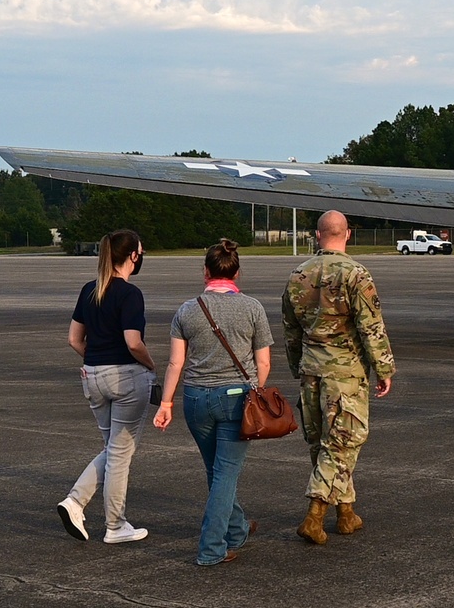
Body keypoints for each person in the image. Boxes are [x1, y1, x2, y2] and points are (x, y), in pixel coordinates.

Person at [154, 239, 273, 566]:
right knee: (224, 473)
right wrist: (256, 393)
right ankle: (211, 548)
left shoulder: (187, 310)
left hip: (196, 400)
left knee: (217, 471)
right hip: (236, 399)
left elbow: (175, 363)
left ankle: (236, 529)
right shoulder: (252, 308)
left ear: (206, 272)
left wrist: (166, 403)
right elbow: (264, 363)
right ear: (237, 272)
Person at [283, 210, 396, 545]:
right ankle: (315, 513)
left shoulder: (298, 274)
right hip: (345, 373)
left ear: (318, 236)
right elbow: (371, 327)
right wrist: (384, 368)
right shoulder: (356, 275)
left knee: (324, 444)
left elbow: (291, 331)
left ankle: (346, 513)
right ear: (347, 234)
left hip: (311, 370)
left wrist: (296, 367)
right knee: (344, 442)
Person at [61, 230, 157, 544]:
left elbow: (74, 339)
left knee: (111, 448)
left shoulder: (90, 290)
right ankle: (114, 524)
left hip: (93, 376)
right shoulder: (130, 294)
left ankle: (76, 502)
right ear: (132, 256)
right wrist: (151, 364)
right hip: (126, 377)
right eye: (141, 251)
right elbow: (133, 341)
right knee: (119, 453)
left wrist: (96, 360)